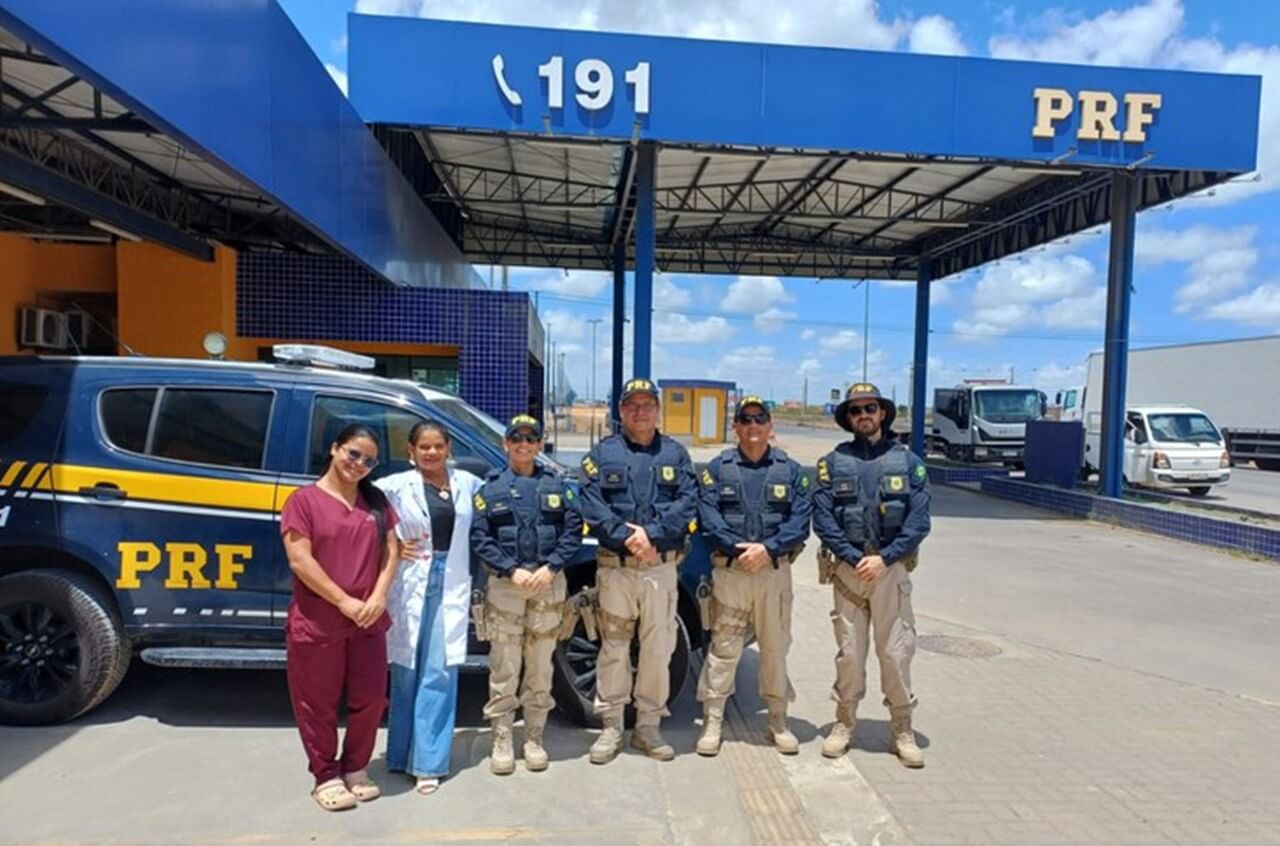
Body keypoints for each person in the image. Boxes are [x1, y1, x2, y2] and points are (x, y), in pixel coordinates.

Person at [577, 378, 698, 764]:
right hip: (617, 569)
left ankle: (648, 726)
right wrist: (628, 538)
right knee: (613, 646)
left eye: (647, 404)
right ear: (621, 411)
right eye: (632, 405)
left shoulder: (676, 454)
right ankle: (612, 726)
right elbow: (590, 502)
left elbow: (687, 502)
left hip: (659, 569)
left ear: (657, 410)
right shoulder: (602, 453)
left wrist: (652, 536)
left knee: (658, 649)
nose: (640, 411)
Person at [280, 423, 400, 811]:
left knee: (372, 698)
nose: (359, 464)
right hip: (319, 620)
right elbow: (300, 560)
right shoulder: (304, 502)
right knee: (318, 703)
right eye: (353, 454)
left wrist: (379, 595)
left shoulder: (375, 502)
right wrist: (343, 601)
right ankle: (325, 775)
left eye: (369, 460)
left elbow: (392, 551)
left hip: (367, 620)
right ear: (335, 449)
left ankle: (355, 768)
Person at [812, 383, 931, 768]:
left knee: (895, 653)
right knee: (849, 654)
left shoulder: (909, 462)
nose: (863, 415)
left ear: (882, 413)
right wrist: (851, 557)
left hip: (890, 572)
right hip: (848, 572)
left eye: (870, 408)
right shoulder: (832, 463)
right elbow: (823, 519)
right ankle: (844, 722)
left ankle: (902, 728)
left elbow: (919, 521)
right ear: (848, 418)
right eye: (856, 410)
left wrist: (885, 558)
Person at [694, 395, 812, 757]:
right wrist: (738, 549)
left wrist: (768, 549)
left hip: (773, 574)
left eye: (760, 418)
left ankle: (777, 720)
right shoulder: (718, 469)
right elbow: (708, 518)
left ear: (770, 425)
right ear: (736, 427)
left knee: (775, 650)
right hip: (732, 573)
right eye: (745, 419)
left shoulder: (791, 471)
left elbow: (800, 522)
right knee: (724, 648)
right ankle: (713, 720)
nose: (753, 425)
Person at [375, 421, 483, 795]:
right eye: (424, 447)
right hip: (410, 579)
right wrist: (387, 545)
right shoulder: (392, 486)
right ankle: (399, 754)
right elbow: (358, 514)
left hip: (449, 578)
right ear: (411, 451)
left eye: (438, 446)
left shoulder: (468, 484)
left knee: (439, 670)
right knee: (405, 670)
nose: (432, 453)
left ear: (449, 448)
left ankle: (428, 763)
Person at [470, 414, 583, 774]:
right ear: (506, 444)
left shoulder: (558, 486)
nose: (523, 444)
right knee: (504, 664)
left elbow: (573, 531)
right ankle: (502, 736)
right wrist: (511, 569)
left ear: (539, 444)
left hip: (548, 582)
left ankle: (534, 735)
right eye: (516, 438)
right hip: (508, 585)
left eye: (530, 439)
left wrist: (550, 567)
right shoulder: (489, 489)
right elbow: (480, 537)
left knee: (540, 663)